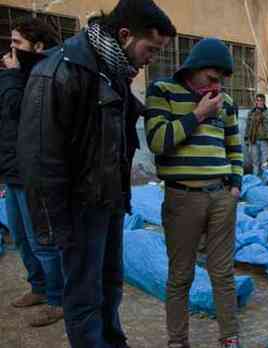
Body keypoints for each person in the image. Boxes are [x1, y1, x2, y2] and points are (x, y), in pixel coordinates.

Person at [17, 1, 176, 346]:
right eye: (150, 49)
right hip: (77, 210)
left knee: (110, 285)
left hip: (109, 200)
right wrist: (51, 228)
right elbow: (39, 158)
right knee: (84, 297)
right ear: (124, 35)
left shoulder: (113, 71)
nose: (152, 58)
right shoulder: (59, 70)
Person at [145, 38, 243, 348]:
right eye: (211, 78)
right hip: (183, 197)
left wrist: (236, 184)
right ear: (193, 69)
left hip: (221, 196)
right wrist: (198, 114)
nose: (216, 86)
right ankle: (178, 341)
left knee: (223, 273)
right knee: (180, 274)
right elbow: (158, 141)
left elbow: (233, 145)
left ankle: (230, 338)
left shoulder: (225, 102)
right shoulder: (162, 91)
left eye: (221, 81)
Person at [0, 18, 63, 327]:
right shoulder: (17, 75)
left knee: (42, 241)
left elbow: (17, 111)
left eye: (17, 44)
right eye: (10, 43)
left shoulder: (41, 76)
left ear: (38, 47)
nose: (10, 50)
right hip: (12, 173)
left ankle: (57, 299)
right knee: (22, 239)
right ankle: (38, 288)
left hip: (33, 175)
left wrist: (12, 77)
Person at [245, 93, 268, 176]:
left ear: (264, 101)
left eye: (261, 100)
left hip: (264, 140)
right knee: (255, 163)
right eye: (258, 100)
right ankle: (256, 181)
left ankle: (265, 182)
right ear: (256, 102)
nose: (259, 102)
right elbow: (248, 126)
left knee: (265, 163)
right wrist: (246, 139)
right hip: (253, 140)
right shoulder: (251, 112)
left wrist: (260, 113)